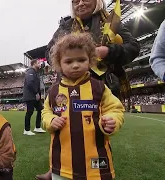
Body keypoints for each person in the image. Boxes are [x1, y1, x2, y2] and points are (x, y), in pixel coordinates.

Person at [37, 0, 139, 178]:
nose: (80, 3)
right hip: (67, 86)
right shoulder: (66, 25)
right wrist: (64, 53)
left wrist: (108, 51)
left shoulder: (110, 22)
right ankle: (57, 167)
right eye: (75, 1)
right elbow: (49, 52)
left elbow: (133, 47)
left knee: (96, 129)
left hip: (99, 83)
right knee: (63, 124)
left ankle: (98, 167)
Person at [42, 33, 124, 180]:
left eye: (81, 60)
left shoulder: (99, 87)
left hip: (96, 159)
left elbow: (115, 108)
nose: (75, 65)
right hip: (62, 162)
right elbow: (46, 112)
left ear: (90, 60)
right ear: (59, 64)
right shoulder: (53, 91)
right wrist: (50, 120)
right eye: (68, 61)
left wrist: (112, 119)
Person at [22, 59, 46, 135]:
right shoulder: (30, 72)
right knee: (30, 111)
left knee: (40, 110)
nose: (40, 64)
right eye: (38, 63)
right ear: (34, 64)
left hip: (35, 96)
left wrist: (38, 93)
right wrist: (36, 93)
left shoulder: (35, 72)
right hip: (30, 95)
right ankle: (26, 130)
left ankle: (37, 127)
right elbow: (29, 84)